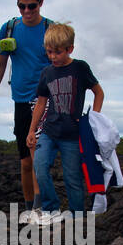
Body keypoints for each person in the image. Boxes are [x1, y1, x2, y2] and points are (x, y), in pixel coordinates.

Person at [0, 0, 51, 221]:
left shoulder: (49, 30)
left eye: (32, 6)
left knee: (37, 155)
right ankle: (29, 207)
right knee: (25, 161)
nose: (27, 11)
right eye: (22, 6)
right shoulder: (9, 29)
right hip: (20, 101)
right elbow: (0, 65)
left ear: (41, 2)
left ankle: (40, 210)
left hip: (43, 101)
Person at [26, 22, 103, 224]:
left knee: (72, 179)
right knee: (40, 167)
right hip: (49, 131)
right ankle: (52, 210)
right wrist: (32, 130)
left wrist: (93, 120)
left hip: (72, 134)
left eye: (57, 52)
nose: (53, 57)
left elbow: (98, 92)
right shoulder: (47, 73)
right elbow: (41, 102)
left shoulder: (80, 68)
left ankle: (78, 218)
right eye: (49, 52)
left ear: (70, 49)